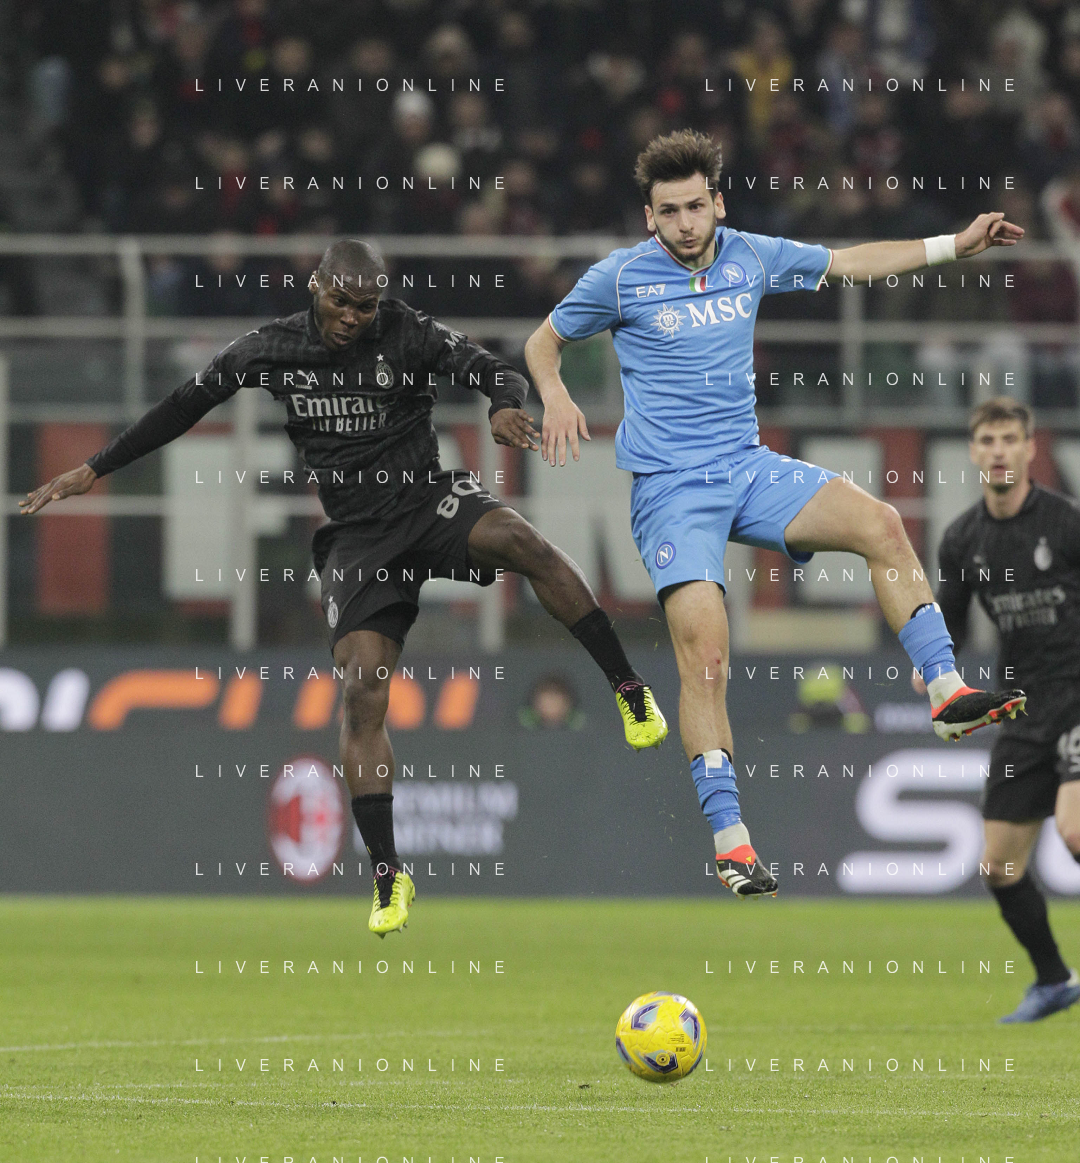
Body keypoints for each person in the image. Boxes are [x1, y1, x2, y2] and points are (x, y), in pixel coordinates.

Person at [20, 238, 668, 936]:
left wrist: (502, 405)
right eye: (341, 301)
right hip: (358, 539)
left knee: (525, 543)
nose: (354, 316)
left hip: (426, 502)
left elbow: (491, 368)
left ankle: (629, 689)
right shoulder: (269, 349)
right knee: (362, 689)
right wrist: (95, 468)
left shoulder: (406, 330)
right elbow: (181, 407)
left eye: (365, 306)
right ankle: (389, 876)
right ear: (317, 286)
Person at [524, 128, 1026, 898]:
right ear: (649, 217)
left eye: (696, 206)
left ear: (718, 203)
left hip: (750, 467)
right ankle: (731, 841)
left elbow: (850, 263)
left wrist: (952, 246)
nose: (685, 223)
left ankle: (946, 693)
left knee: (882, 524)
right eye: (669, 212)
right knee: (707, 656)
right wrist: (556, 393)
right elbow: (543, 342)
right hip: (672, 490)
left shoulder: (750, 255)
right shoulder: (619, 278)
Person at [924, 396, 1080, 1022]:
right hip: (1021, 710)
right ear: (973, 451)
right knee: (999, 866)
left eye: (1009, 439)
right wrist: (934, 676)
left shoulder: (1066, 523)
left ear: (1029, 448)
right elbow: (950, 627)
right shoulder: (963, 540)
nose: (998, 451)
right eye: (987, 440)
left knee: (1074, 829)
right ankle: (1054, 980)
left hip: (1078, 700)